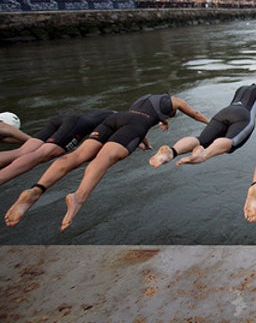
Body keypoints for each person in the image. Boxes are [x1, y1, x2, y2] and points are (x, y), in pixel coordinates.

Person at [4, 94, 208, 230]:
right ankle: (78, 198)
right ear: (170, 108)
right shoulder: (175, 100)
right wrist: (211, 123)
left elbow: (133, 123)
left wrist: (146, 140)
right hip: (134, 126)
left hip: (116, 120)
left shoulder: (144, 101)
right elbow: (195, 114)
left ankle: (37, 189)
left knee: (76, 156)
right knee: (102, 159)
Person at [149, 83, 256, 167]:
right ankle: (204, 154)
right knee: (231, 142)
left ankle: (171, 152)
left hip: (224, 113)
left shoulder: (242, 88)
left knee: (201, 140)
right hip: (243, 116)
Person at [0, 109, 116, 185]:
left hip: (65, 119)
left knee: (24, 152)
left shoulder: (121, 117)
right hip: (74, 124)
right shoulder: (129, 125)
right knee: (42, 155)